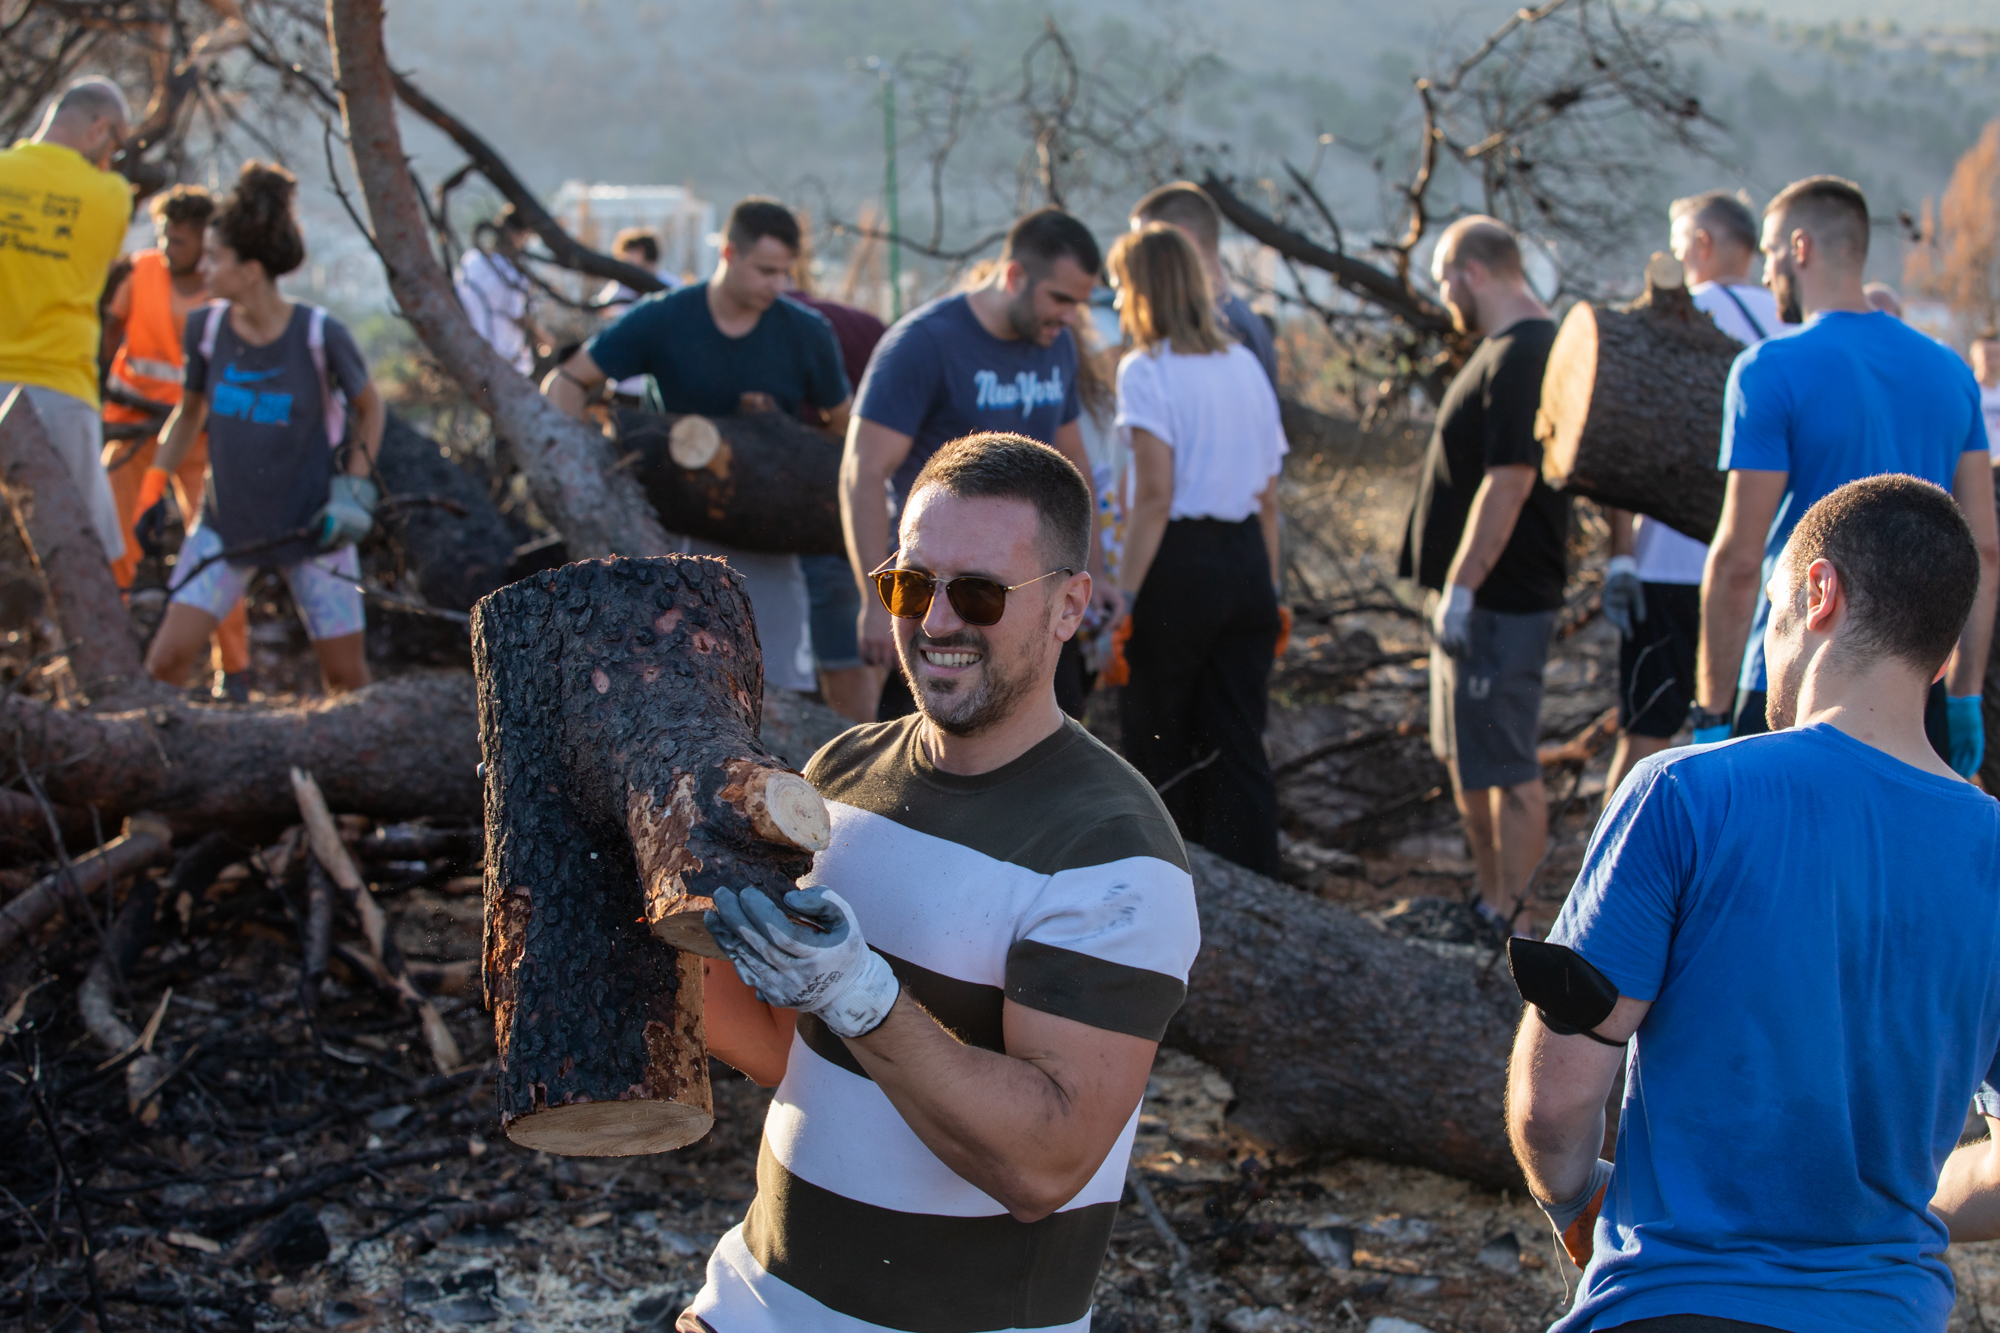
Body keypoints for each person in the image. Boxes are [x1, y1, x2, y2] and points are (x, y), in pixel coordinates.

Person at [686, 431, 1199, 1333]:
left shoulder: (1114, 850)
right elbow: (785, 1052)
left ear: (1070, 605)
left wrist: (863, 997)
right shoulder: (840, 774)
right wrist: (677, 914)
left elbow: (1045, 1164)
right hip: (749, 1303)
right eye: (911, 584)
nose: (935, 621)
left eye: (978, 592)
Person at [1507, 474, 2000, 1333]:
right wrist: (1901, 1208)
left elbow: (1552, 1107)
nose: (1762, 645)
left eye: (1771, 608)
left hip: (1671, 1303)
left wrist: (1579, 1200)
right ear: (1946, 652)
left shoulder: (1685, 795)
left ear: (1818, 594)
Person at [1691, 175, 1998, 782]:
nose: (1769, 269)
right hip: (1916, 690)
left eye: (1773, 252)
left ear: (1800, 248)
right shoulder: (1951, 372)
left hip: (1792, 684)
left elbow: (1736, 560)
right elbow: (1985, 547)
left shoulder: (1768, 370)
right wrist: (1964, 698)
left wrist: (1712, 711)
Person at [545, 197, 851, 693]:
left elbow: (845, 428)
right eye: (766, 271)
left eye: (785, 273)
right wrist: (574, 464)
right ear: (729, 254)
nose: (778, 285)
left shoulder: (807, 334)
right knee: (672, 680)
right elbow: (567, 381)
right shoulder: (665, 317)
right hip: (672, 535)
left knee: (777, 688)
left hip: (770, 538)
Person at [844, 208, 1122, 721]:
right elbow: (862, 474)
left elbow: (1074, 465)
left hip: (1026, 604)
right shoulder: (924, 345)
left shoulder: (1056, 343)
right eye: (1059, 299)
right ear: (1014, 275)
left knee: (1048, 756)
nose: (1068, 317)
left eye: (1077, 305)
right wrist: (869, 598)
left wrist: (1096, 571)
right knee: (923, 758)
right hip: (940, 604)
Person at [140, 162, 386, 696]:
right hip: (224, 528)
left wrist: (353, 492)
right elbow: (189, 414)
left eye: (215, 259)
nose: (204, 269)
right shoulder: (206, 330)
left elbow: (372, 408)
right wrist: (151, 492)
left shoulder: (320, 335)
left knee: (347, 681)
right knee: (165, 665)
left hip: (314, 529)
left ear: (249, 270)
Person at [1399, 215, 1566, 931]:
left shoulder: (1527, 351)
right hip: (1474, 597)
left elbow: (1511, 480)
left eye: (1444, 279)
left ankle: (1519, 918)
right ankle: (1492, 898)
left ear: (1471, 271)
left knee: (1508, 760)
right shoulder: (1500, 348)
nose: (1443, 297)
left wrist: (1463, 587)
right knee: (1467, 755)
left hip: (1501, 597)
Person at [1109, 224, 1287, 875]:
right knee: (1239, 738)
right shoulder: (1244, 363)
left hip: (1177, 566)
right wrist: (1269, 589)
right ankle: (1254, 883)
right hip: (1245, 560)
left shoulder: (1146, 370)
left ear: (1142, 288)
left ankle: (1168, 879)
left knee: (1160, 737)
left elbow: (1154, 495)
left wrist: (1124, 598)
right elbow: (1268, 495)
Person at [1600, 190, 1786, 791]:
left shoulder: (1666, 322)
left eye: (1679, 245)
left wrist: (1621, 556)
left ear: (1701, 245)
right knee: (1760, 749)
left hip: (1668, 568)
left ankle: (1613, 872)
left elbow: (1626, 448)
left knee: (1644, 737)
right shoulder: (1793, 321)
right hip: (1768, 576)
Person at [99, 184, 253, 700]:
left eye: (180, 240)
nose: (168, 247)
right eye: (164, 235)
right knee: (115, 539)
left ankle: (234, 671)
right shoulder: (139, 272)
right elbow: (108, 333)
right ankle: (109, 659)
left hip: (200, 439)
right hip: (132, 430)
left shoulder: (223, 291)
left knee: (214, 549)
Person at [0, 78, 134, 565]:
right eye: (115, 145)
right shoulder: (111, 196)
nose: (112, 159)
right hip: (58, 388)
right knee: (88, 550)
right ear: (100, 129)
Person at [780, 278, 889, 722]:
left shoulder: (785, 330)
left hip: (814, 514)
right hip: (876, 509)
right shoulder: (866, 324)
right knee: (871, 652)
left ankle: (852, 761)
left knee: (842, 674)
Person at [1130, 181, 1279, 386]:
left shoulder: (1223, 327)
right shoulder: (1240, 315)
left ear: (1184, 239)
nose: (1138, 261)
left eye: (1149, 246)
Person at [455, 206, 542, 376]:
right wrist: (543, 339)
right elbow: (520, 317)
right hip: (509, 362)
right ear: (520, 235)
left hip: (473, 357)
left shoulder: (471, 260)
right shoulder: (514, 273)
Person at [597, 228, 680, 402]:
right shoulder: (621, 287)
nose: (623, 263)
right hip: (625, 385)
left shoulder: (673, 286)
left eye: (626, 256)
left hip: (660, 388)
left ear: (639, 253)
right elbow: (602, 309)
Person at [1972, 329, 2000, 460]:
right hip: (1981, 468)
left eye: (1997, 355)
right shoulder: (1970, 392)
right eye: (1988, 356)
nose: (1994, 362)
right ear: (1974, 358)